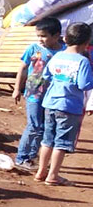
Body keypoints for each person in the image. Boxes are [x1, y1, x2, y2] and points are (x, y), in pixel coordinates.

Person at [34, 22, 93, 186]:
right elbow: (84, 84)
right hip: (69, 107)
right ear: (86, 43)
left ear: (65, 38)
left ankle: (41, 172)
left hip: (50, 103)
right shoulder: (82, 62)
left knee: (47, 139)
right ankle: (53, 175)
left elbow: (46, 75)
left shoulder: (57, 56)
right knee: (61, 142)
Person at [12, 17, 65, 171]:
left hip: (52, 96)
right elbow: (22, 68)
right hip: (34, 93)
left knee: (45, 127)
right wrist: (17, 88)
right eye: (38, 36)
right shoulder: (33, 49)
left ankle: (32, 156)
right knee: (34, 125)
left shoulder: (63, 52)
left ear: (56, 36)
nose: (40, 39)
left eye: (44, 36)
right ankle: (22, 157)